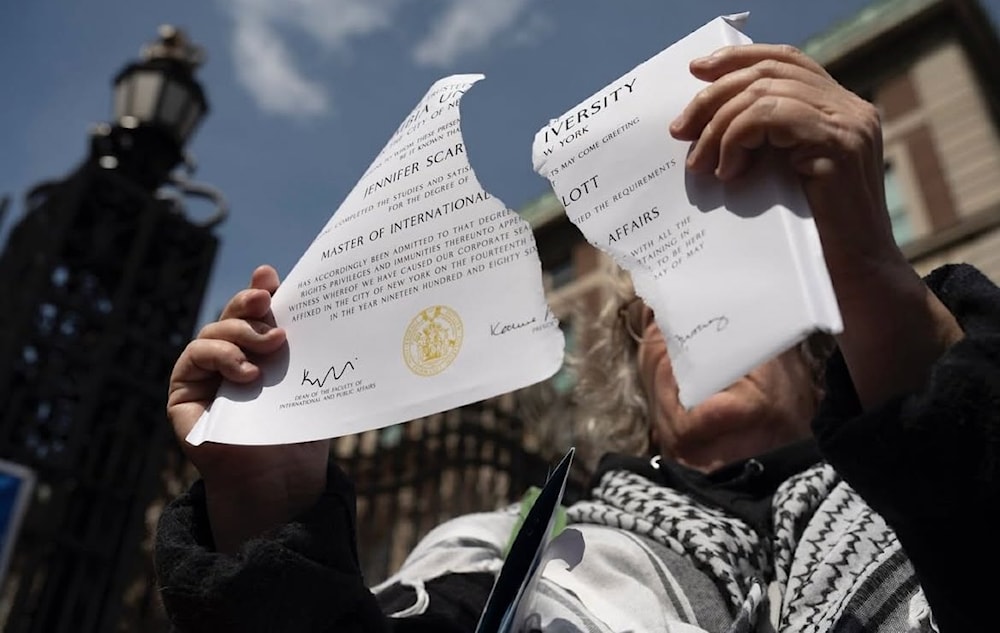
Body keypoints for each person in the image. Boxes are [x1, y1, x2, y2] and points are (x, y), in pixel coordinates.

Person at [155, 44, 998, 632]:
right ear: (632, 370)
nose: (676, 319)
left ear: (816, 341)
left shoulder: (909, 484)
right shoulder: (510, 546)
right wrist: (267, 507)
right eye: (650, 315)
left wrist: (874, 273)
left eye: (712, 287)